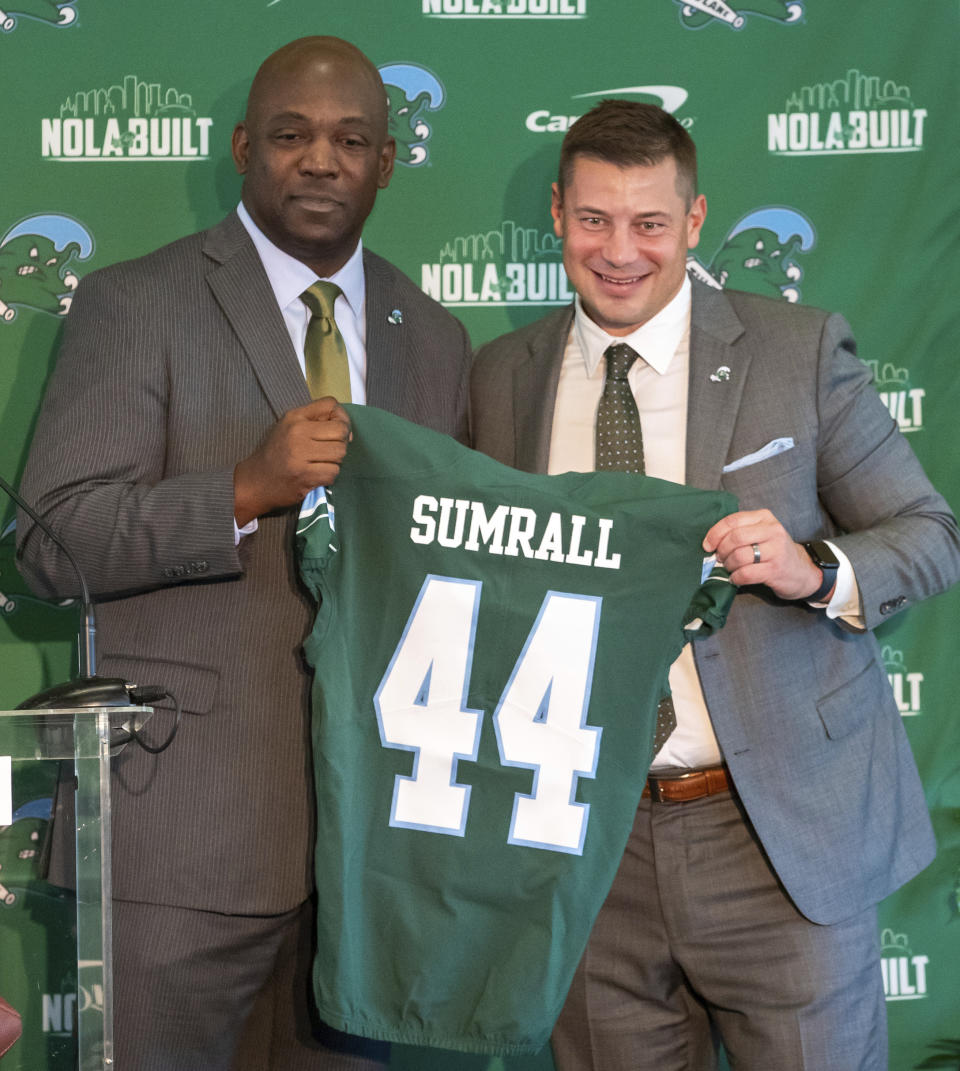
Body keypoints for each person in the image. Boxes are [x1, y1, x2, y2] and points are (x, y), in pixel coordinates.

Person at [470, 99, 960, 1070]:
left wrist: (811, 568)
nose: (621, 252)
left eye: (650, 223)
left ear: (693, 224)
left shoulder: (799, 351)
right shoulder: (499, 379)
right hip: (589, 846)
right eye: (595, 220)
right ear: (559, 214)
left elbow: (931, 536)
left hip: (777, 840)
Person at [16, 35, 470, 1071]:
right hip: (180, 831)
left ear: (388, 162)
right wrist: (243, 490)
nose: (320, 160)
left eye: (351, 139)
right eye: (290, 136)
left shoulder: (434, 336)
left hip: (367, 855)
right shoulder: (136, 303)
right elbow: (50, 540)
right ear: (241, 149)